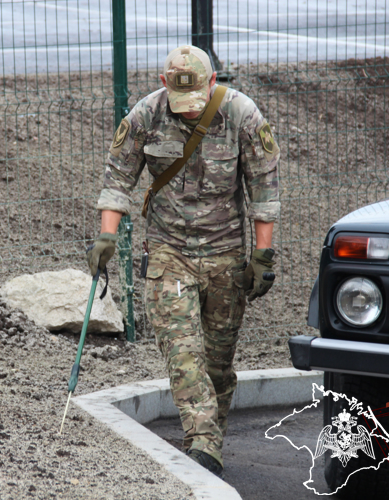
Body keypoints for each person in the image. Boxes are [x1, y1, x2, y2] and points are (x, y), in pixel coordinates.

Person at [86, 45, 280, 478]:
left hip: (225, 256)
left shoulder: (243, 116)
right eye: (181, 103)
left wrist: (262, 256)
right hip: (169, 253)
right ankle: (204, 446)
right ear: (163, 84)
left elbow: (263, 188)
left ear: (214, 82)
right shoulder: (146, 116)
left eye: (198, 102)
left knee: (216, 363)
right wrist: (107, 235)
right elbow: (118, 175)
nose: (189, 113)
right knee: (184, 356)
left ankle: (206, 440)